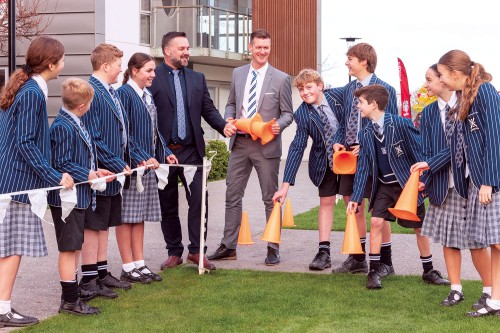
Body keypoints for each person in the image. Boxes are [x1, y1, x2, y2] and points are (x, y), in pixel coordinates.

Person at [0, 36, 74, 328]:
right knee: (11, 247)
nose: (64, 64)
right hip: (17, 183)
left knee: (10, 247)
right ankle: (3, 308)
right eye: (62, 59)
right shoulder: (32, 92)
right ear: (51, 63)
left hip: (12, 180)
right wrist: (54, 175)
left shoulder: (27, 88)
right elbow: (27, 143)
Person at [346, 85, 448, 289]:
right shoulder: (365, 133)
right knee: (375, 221)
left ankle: (428, 270)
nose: (358, 106)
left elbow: (420, 153)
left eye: (361, 102)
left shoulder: (401, 124)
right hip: (383, 186)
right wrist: (356, 198)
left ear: (373, 104)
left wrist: (424, 181)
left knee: (419, 228)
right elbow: (363, 167)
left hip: (406, 187)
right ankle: (374, 272)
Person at [150, 31, 236, 271]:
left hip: (192, 152)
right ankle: (174, 251)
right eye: (182, 48)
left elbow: (208, 110)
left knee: (199, 202)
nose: (187, 52)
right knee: (167, 204)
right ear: (168, 51)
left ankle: (197, 252)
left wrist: (223, 126)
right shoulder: (152, 77)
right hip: (164, 152)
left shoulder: (198, 78)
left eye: (188, 48)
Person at [207, 29, 293, 265]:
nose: (262, 51)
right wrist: (228, 121)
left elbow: (288, 114)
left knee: (270, 198)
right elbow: (231, 105)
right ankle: (228, 246)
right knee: (232, 195)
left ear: (270, 48)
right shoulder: (238, 73)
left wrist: (279, 126)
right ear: (250, 47)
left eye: (266, 47)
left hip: (266, 146)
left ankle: (273, 247)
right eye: (258, 47)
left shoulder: (281, 78)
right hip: (240, 144)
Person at [411, 64, 491, 308]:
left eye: (430, 79)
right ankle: (456, 289)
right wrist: (424, 180)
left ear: (445, 80)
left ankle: (490, 290)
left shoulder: (467, 104)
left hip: (469, 183)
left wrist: (431, 163)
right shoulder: (428, 113)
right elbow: (424, 149)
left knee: (477, 241)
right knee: (449, 239)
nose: (426, 85)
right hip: (442, 186)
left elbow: (462, 147)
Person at [437, 50, 500, 317]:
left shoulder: (485, 92)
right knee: (495, 243)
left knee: (498, 243)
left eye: (441, 74)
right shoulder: (466, 97)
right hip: (478, 181)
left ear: (455, 73)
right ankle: (495, 302)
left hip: (491, 181)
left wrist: (488, 181)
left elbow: (496, 138)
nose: (440, 79)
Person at [48, 78, 115, 315]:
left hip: (80, 196)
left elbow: (80, 158)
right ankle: (69, 301)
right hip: (66, 199)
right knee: (68, 248)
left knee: (75, 247)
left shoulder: (75, 121)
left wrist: (95, 171)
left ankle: (73, 297)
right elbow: (62, 162)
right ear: (82, 105)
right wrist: (88, 173)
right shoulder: (63, 126)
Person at [331, 43, 398, 274]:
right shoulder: (348, 90)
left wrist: (369, 145)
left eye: (350, 58)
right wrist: (337, 142)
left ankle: (386, 263)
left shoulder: (386, 89)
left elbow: (392, 127)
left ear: (364, 61)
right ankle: (357, 259)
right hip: (349, 158)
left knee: (379, 210)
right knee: (354, 206)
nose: (346, 63)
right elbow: (342, 123)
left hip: (376, 159)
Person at [272, 69, 342, 270]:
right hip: (323, 161)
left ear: (320, 85)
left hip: (348, 158)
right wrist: (285, 186)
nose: (304, 92)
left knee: (352, 202)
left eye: (308, 87)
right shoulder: (302, 113)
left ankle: (358, 254)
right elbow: (297, 146)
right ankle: (323, 252)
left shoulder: (338, 97)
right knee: (326, 202)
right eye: (301, 89)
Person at [79, 43, 134, 298]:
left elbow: (122, 132)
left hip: (113, 173)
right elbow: (94, 137)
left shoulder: (110, 91)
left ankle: (101, 272)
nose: (120, 69)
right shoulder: (91, 91)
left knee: (104, 224)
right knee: (94, 225)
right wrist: (115, 163)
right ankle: (89, 278)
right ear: (105, 66)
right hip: (99, 172)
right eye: (118, 65)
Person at [116, 53, 177, 283]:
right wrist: (142, 157)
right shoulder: (123, 95)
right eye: (149, 71)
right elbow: (124, 134)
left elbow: (154, 131)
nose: (153, 75)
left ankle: (139, 264)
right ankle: (127, 266)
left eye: (153, 70)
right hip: (131, 166)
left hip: (147, 165)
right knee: (126, 217)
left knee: (138, 216)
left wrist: (165, 152)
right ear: (134, 71)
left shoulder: (147, 95)